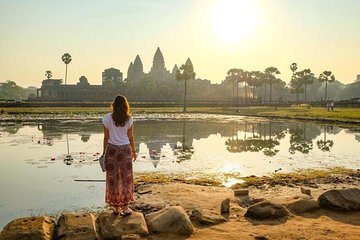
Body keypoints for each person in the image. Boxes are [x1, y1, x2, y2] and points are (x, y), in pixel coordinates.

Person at [102, 95, 137, 216]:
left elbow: (106, 137)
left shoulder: (107, 118)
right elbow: (131, 137)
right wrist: (134, 151)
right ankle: (126, 207)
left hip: (112, 150)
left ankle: (116, 208)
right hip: (125, 150)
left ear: (114, 105)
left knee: (113, 178)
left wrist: (104, 152)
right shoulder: (129, 119)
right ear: (125, 105)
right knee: (126, 178)